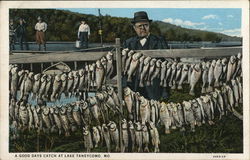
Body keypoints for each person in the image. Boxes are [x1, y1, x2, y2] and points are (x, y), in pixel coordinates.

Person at [123, 11, 168, 100]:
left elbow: (166, 66)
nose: (143, 28)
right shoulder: (128, 43)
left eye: (145, 25)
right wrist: (125, 87)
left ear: (149, 26)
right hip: (134, 86)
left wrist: (165, 91)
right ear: (134, 27)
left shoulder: (159, 41)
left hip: (154, 87)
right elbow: (123, 67)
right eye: (140, 26)